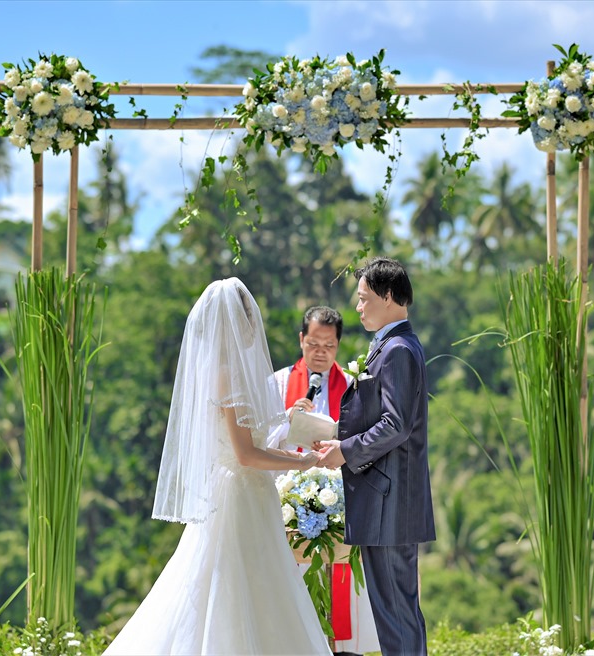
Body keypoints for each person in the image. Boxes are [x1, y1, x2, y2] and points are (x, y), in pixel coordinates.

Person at [104, 278, 332, 656]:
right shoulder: (228, 376)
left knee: (254, 585)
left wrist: (290, 423)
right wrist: (301, 459)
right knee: (238, 586)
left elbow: (250, 439)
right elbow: (245, 455)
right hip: (239, 496)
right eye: (247, 320)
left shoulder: (228, 372)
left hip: (248, 493)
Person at [317, 257, 435, 656]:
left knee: (396, 612)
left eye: (364, 298)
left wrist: (346, 452)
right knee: (395, 611)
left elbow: (396, 424)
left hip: (391, 502)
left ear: (388, 296)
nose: (358, 306)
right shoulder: (392, 345)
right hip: (388, 500)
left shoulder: (398, 349)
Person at [273, 306, 381, 656]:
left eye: (329, 345)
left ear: (338, 345)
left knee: (341, 596)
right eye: (314, 343)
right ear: (301, 339)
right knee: (291, 600)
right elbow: (258, 441)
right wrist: (288, 421)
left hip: (338, 503)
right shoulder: (276, 383)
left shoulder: (352, 387)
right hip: (286, 506)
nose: (320, 351)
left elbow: (366, 441)